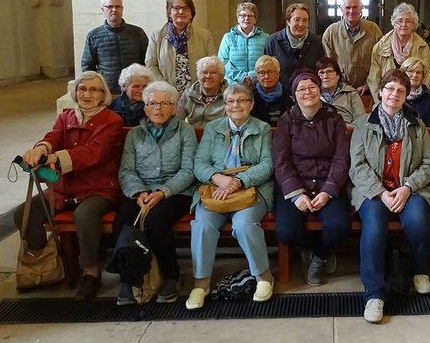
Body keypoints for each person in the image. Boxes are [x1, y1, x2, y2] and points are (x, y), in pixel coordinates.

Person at [14, 71, 124, 300]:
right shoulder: (67, 117)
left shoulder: (112, 121)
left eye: (94, 90)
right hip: (64, 189)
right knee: (25, 212)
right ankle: (47, 265)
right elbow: (54, 136)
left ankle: (91, 272)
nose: (87, 94)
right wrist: (42, 149)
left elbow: (93, 153)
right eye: (82, 89)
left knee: (84, 216)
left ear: (103, 94)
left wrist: (55, 158)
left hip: (99, 188)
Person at [350, 69, 430, 323]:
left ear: (406, 95)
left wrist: (408, 187)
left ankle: (420, 271)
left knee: (419, 219)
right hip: (373, 192)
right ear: (380, 91)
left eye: (401, 90)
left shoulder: (416, 124)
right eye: (390, 88)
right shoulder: (363, 124)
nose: (394, 94)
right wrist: (380, 193)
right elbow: (357, 165)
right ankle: (374, 293)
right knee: (375, 227)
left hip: (408, 189)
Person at [186, 83, 276, 308]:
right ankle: (201, 283)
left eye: (242, 100)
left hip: (250, 188)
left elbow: (267, 164)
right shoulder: (212, 128)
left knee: (244, 225)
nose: (236, 105)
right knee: (203, 224)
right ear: (224, 105)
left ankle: (263, 277)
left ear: (251, 103)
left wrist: (238, 181)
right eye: (230, 101)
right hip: (216, 187)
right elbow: (199, 164)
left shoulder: (262, 128)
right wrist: (218, 179)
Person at [112, 81, 197, 306]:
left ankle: (171, 275)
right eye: (152, 104)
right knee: (122, 220)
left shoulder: (184, 131)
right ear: (145, 108)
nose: (158, 108)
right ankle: (129, 278)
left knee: (157, 220)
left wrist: (163, 192)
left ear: (173, 107)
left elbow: (189, 170)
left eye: (164, 103)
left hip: (176, 191)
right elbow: (127, 170)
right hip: (140, 190)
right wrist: (138, 192)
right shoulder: (134, 135)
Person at [272, 70, 351, 286]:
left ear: (320, 89)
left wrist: (328, 191)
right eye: (301, 89)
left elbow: (341, 158)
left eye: (312, 87)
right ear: (294, 94)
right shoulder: (286, 121)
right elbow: (281, 161)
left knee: (340, 225)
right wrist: (296, 194)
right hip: (296, 185)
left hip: (328, 184)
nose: (308, 92)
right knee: (286, 232)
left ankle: (319, 256)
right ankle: (314, 248)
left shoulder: (335, 119)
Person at [145, 0, 216, 94]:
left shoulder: (204, 36)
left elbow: (212, 65)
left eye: (186, 8)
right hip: (166, 94)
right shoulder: (157, 36)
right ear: (169, 12)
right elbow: (150, 65)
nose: (181, 12)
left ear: (191, 13)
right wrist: (166, 89)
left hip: (198, 93)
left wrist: (198, 89)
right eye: (176, 8)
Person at [81, 0, 149, 95]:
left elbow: (147, 61)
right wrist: (96, 86)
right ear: (103, 9)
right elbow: (87, 66)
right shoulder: (94, 36)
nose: (114, 10)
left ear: (122, 9)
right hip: (107, 89)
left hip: (134, 89)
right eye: (109, 7)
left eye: (117, 6)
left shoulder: (138, 33)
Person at [321, 0, 383, 95]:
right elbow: (327, 64)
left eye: (355, 7)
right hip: (339, 89)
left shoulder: (373, 30)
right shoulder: (331, 32)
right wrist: (340, 84)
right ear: (341, 9)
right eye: (347, 7)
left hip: (369, 90)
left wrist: (368, 84)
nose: (351, 11)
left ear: (361, 8)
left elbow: (380, 61)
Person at [367, 2, 430, 97]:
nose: (404, 24)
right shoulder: (380, 47)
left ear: (413, 25)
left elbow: (427, 77)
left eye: (408, 21)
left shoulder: (422, 47)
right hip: (387, 98)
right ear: (394, 24)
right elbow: (373, 79)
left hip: (414, 99)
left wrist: (418, 97)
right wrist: (381, 100)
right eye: (400, 21)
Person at [264, 2, 324, 96]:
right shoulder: (273, 41)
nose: (301, 24)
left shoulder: (316, 42)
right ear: (288, 21)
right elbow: (266, 70)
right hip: (280, 96)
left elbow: (320, 71)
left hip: (308, 96)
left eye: (305, 20)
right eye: (297, 20)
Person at [217, 2, 269, 87]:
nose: (246, 18)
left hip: (259, 85)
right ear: (238, 18)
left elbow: (268, 61)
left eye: (250, 16)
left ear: (255, 19)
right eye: (243, 15)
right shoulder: (228, 37)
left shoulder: (265, 37)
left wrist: (252, 76)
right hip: (234, 85)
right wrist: (242, 77)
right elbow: (222, 62)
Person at [176, 56, 229, 127]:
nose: (208, 76)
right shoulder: (189, 94)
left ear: (221, 77)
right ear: (198, 76)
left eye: (213, 72)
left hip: (219, 135)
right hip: (192, 135)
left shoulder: (230, 96)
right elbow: (177, 120)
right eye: (204, 72)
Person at [316, 56, 366, 125]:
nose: (325, 76)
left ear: (338, 75)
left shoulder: (351, 93)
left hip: (347, 131)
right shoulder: (312, 94)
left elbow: (361, 120)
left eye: (329, 71)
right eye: (321, 73)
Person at [250, 55, 294, 127]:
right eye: (262, 73)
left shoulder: (288, 96)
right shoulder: (250, 97)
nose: (266, 76)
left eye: (271, 72)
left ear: (278, 74)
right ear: (257, 76)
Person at [400, 56, 430, 126]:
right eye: (411, 71)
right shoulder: (396, 96)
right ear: (403, 74)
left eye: (419, 72)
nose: (415, 75)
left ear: (423, 76)